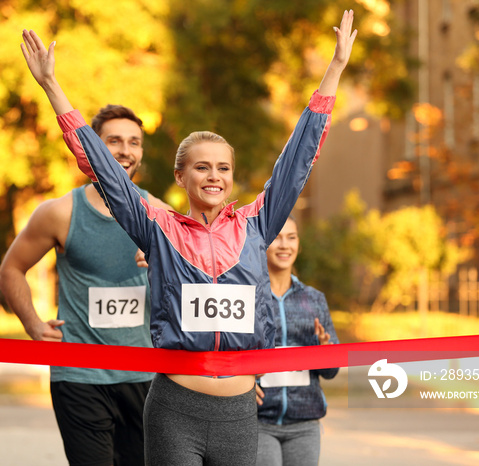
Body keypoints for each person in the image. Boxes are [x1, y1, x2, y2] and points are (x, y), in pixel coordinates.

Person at [20, 9, 356, 465]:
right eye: (201, 166)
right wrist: (52, 87)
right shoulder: (157, 228)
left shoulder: (257, 224)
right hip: (175, 409)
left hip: (240, 412)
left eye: (223, 168)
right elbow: (100, 165)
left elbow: (297, 162)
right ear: (181, 175)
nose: (213, 176)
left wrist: (334, 69)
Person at [0, 104, 171, 466]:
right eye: (114, 141)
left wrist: (163, 263)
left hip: (145, 375)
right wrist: (32, 323)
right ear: (93, 147)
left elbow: (195, 286)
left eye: (134, 142)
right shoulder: (59, 213)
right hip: (79, 372)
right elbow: (11, 269)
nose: (126, 150)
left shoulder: (161, 214)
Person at [255, 216, 339, 466]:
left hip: (305, 425)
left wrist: (326, 352)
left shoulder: (314, 300)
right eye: (277, 238)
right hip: (259, 423)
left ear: (299, 245)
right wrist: (243, 383)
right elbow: (229, 354)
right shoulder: (249, 298)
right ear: (263, 243)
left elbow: (331, 371)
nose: (284, 245)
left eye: (291, 238)